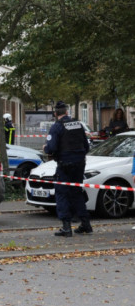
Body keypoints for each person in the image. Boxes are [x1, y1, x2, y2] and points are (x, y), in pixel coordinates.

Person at [43, 101, 91, 237]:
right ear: (67, 112)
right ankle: (85, 223)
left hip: (65, 166)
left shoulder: (56, 127)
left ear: (55, 113)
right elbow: (86, 147)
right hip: (79, 164)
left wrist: (45, 148)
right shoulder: (78, 125)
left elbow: (51, 148)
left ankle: (66, 227)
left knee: (62, 193)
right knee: (77, 192)